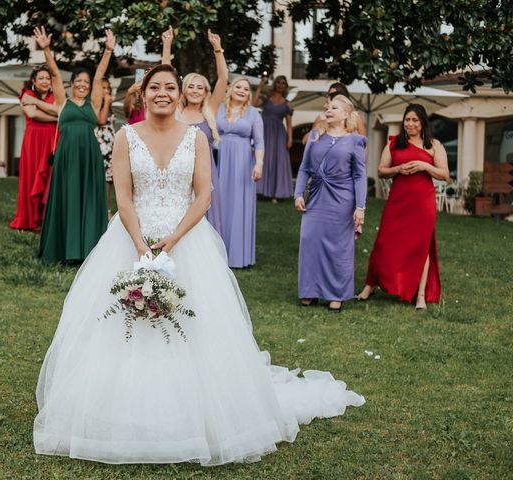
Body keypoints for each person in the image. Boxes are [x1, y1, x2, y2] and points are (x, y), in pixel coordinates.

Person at [33, 63, 364, 466]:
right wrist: (140, 246)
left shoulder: (196, 139)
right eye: (155, 86)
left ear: (179, 94)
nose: (162, 93)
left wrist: (173, 239)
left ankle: (197, 411)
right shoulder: (125, 136)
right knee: (119, 325)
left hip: (186, 240)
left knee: (192, 327)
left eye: (170, 87)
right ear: (143, 92)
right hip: (131, 238)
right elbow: (122, 196)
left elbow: (204, 196)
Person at [33, 26, 114, 264]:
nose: (83, 84)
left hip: (90, 157)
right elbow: (55, 74)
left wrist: (108, 51)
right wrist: (46, 48)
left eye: (85, 82)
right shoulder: (63, 101)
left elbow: (99, 75)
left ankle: (88, 252)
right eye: (78, 81)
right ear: (72, 84)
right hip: (67, 157)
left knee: (89, 200)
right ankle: (63, 250)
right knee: (67, 198)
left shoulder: (94, 101)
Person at [357, 104, 448, 309]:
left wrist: (425, 166)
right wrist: (398, 169)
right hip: (398, 201)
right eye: (408, 120)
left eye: (415, 120)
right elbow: (381, 170)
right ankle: (370, 286)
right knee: (384, 243)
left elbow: (444, 174)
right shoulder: (394, 144)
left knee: (421, 247)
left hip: (423, 202)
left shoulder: (434, 145)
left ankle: (421, 296)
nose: (411, 124)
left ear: (423, 122)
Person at [294, 94, 367, 312]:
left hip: (342, 200)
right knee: (310, 241)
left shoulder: (355, 141)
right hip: (316, 197)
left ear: (345, 114)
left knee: (339, 248)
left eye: (334, 107)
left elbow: (359, 176)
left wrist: (360, 207)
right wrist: (298, 193)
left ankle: (337, 294)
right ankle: (310, 291)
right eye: (327, 107)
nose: (328, 110)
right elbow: (305, 167)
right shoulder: (316, 136)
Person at [161, 25, 228, 234]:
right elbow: (165, 77)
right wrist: (167, 45)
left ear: (206, 91)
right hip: (179, 172)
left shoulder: (210, 109)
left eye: (200, 87)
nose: (196, 90)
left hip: (206, 173)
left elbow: (224, 79)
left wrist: (218, 49)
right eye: (191, 86)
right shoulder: (176, 111)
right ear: (183, 90)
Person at [216, 78, 265, 268]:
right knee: (220, 203)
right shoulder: (218, 109)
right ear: (230, 88)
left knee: (238, 205)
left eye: (246, 88)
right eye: (238, 86)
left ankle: (238, 256)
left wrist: (259, 164)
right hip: (220, 159)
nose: (242, 90)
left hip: (243, 162)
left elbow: (259, 142)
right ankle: (218, 253)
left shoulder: (254, 114)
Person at [10, 65, 58, 231]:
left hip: (52, 141)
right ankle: (29, 219)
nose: (45, 82)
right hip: (33, 142)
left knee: (49, 179)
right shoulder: (26, 94)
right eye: (41, 79)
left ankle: (45, 219)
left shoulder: (54, 95)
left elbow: (61, 111)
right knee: (31, 178)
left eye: (47, 79)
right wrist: (53, 116)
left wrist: (39, 104)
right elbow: (32, 114)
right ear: (34, 81)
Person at [253, 74, 294, 202]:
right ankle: (259, 190)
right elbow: (253, 103)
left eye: (283, 83)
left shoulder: (288, 104)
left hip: (279, 135)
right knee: (263, 159)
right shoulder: (266, 99)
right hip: (264, 132)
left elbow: (289, 124)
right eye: (279, 82)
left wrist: (290, 139)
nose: (280, 85)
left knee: (277, 161)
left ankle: (276, 194)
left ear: (285, 86)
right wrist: (260, 87)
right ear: (275, 84)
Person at [302, 82, 367, 145]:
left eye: (335, 94)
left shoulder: (356, 117)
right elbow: (306, 141)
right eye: (329, 94)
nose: (331, 97)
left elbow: (364, 143)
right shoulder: (322, 118)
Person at [94, 76, 116, 219]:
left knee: (108, 179)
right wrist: (107, 101)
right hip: (98, 143)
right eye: (103, 88)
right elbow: (101, 120)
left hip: (109, 145)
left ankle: (106, 208)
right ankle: (95, 208)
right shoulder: (95, 105)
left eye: (108, 88)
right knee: (98, 177)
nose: (106, 91)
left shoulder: (108, 105)